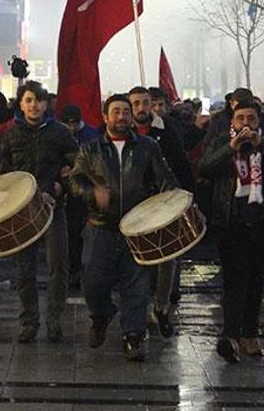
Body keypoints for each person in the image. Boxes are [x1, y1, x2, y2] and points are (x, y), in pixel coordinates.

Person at [69, 94, 178, 361]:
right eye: (116, 112)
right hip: (100, 226)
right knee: (93, 282)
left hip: (137, 228)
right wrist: (93, 193)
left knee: (137, 286)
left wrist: (173, 204)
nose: (121, 117)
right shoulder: (90, 149)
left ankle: (133, 335)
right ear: (105, 117)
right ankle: (101, 315)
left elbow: (165, 179)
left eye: (125, 112)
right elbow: (75, 181)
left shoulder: (148, 146)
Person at [200, 101, 264, 363]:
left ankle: (250, 333)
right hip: (231, 222)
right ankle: (231, 335)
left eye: (251, 118)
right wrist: (230, 149)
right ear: (232, 122)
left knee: (256, 280)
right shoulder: (221, 141)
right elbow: (205, 167)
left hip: (262, 220)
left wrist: (263, 145)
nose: (246, 123)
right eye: (240, 118)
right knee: (234, 280)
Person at [0, 81, 78, 343]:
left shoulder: (60, 133)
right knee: (24, 269)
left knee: (58, 265)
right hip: (22, 213)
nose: (34, 105)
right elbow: (3, 171)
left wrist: (60, 185)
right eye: (29, 100)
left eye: (39, 100)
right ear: (21, 103)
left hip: (54, 207)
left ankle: (54, 319)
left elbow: (76, 167)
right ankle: (29, 321)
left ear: (46, 104)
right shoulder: (10, 134)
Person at [128, 86, 194, 338]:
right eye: (136, 103)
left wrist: (187, 197)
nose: (141, 108)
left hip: (164, 202)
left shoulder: (167, 132)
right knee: (137, 262)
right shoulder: (125, 131)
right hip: (135, 204)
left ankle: (161, 306)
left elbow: (180, 164)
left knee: (167, 259)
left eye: (145, 103)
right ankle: (139, 309)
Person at [59, 105, 99, 289]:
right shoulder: (59, 134)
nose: (71, 128)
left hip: (91, 189)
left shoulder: (92, 134)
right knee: (73, 234)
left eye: (74, 124)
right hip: (71, 192)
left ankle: (88, 272)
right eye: (68, 125)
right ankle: (74, 271)